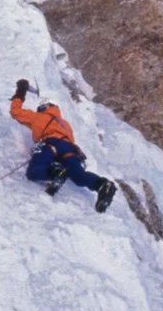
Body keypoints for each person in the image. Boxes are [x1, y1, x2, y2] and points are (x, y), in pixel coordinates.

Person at [11, 79, 116, 213]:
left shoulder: (39, 117)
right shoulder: (64, 123)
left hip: (51, 145)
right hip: (70, 149)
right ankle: (102, 185)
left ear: (42, 108)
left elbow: (16, 112)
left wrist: (20, 91)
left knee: (33, 171)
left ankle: (56, 172)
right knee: (78, 176)